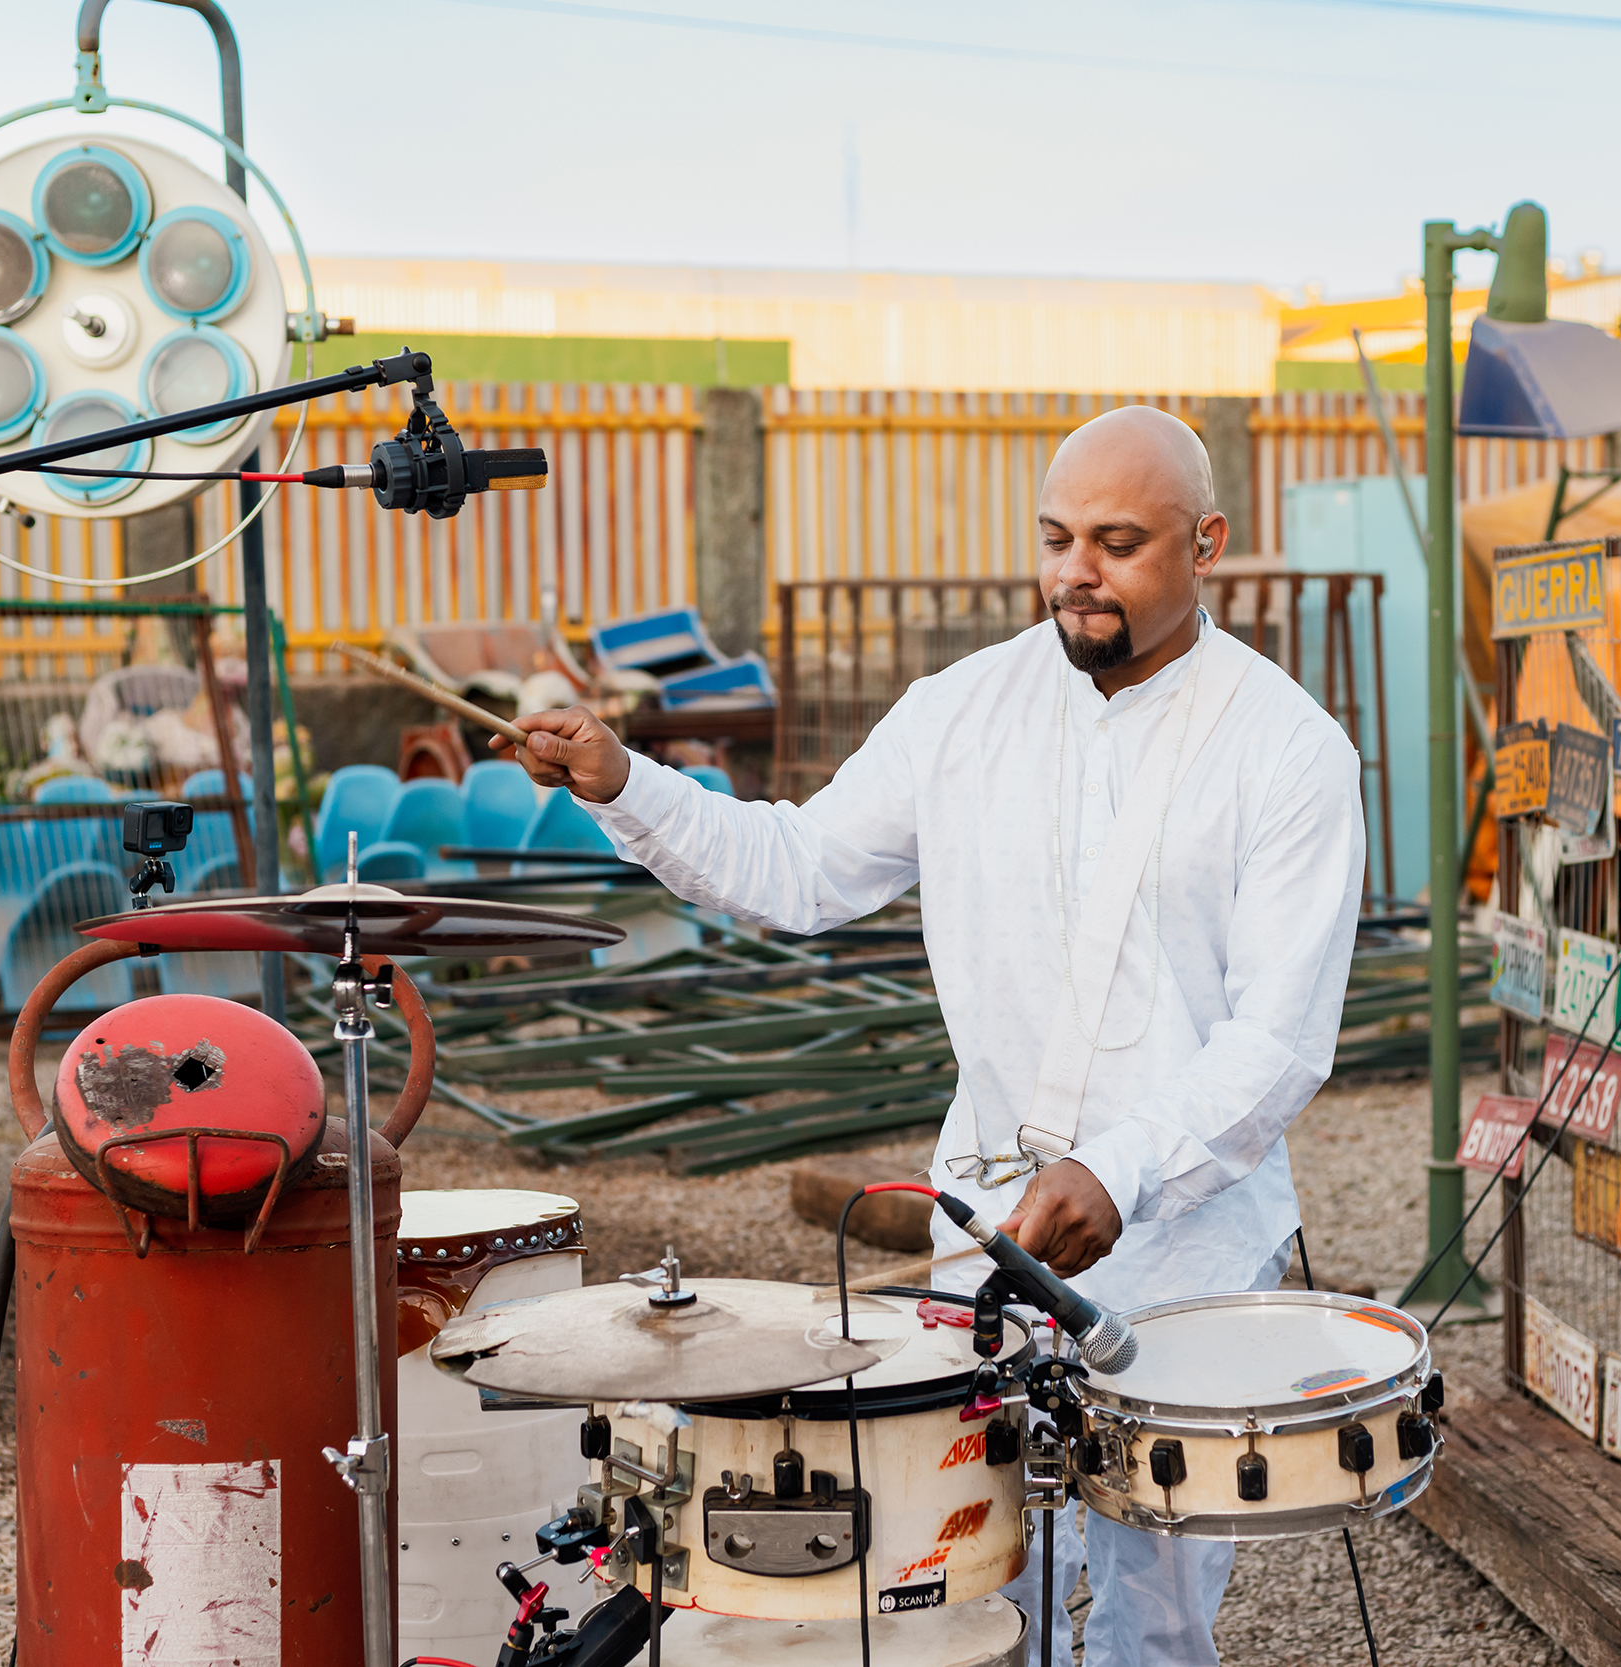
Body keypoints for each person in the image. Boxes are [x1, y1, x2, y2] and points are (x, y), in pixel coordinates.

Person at [498, 405, 1365, 1665]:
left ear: (1207, 542)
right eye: (1058, 537)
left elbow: (1278, 1041)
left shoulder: (1289, 749)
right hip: (988, 1231)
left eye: (1119, 541)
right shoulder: (961, 708)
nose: (1078, 568)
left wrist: (1117, 1171)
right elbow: (798, 868)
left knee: (1156, 1610)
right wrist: (628, 783)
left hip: (1185, 1247)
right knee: (970, 1581)